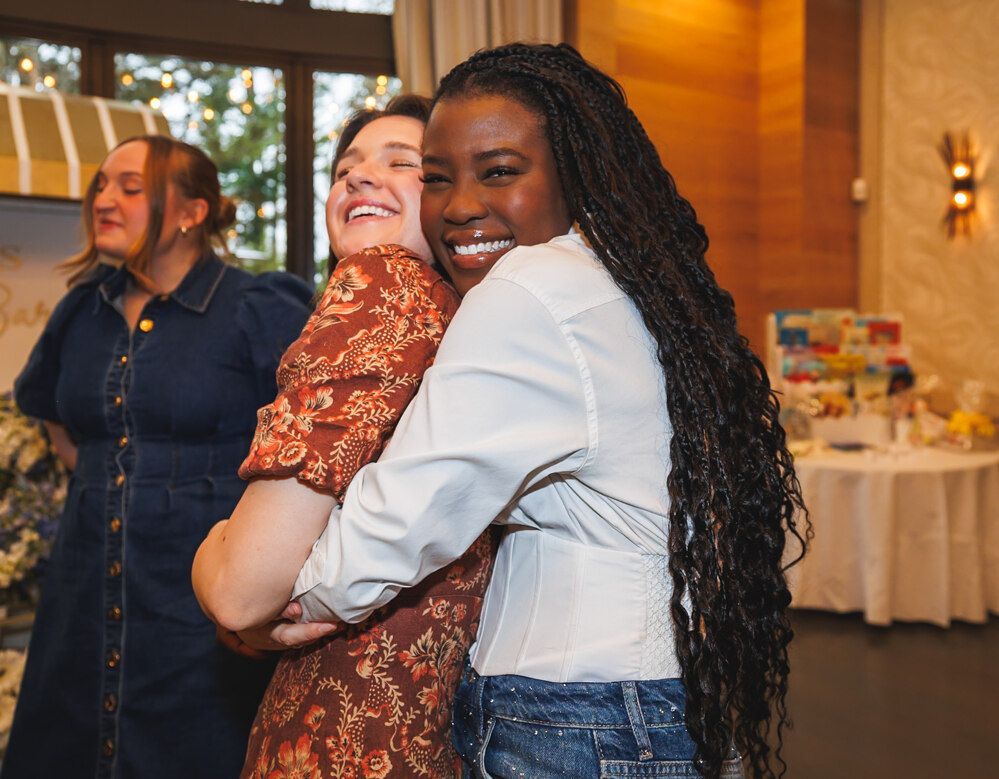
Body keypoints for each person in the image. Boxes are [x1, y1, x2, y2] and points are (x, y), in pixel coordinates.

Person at [285, 43, 810, 779]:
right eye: (437, 178)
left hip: (579, 716)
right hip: (653, 698)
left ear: (576, 173)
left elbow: (399, 518)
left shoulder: (529, 287)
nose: (460, 205)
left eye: (500, 171)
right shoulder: (623, 278)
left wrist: (277, 598)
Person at [192, 95, 495, 778]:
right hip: (428, 729)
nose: (357, 177)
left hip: (339, 725)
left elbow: (241, 590)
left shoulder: (380, 283)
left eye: (401, 162)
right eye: (345, 169)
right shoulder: (463, 315)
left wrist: (209, 552)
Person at [6, 135, 313, 778]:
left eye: (130, 187)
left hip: (200, 604)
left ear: (191, 212)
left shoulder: (256, 307)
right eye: (101, 185)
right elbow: (54, 415)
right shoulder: (82, 307)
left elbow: (313, 439)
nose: (104, 199)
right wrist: (116, 481)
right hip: (82, 590)